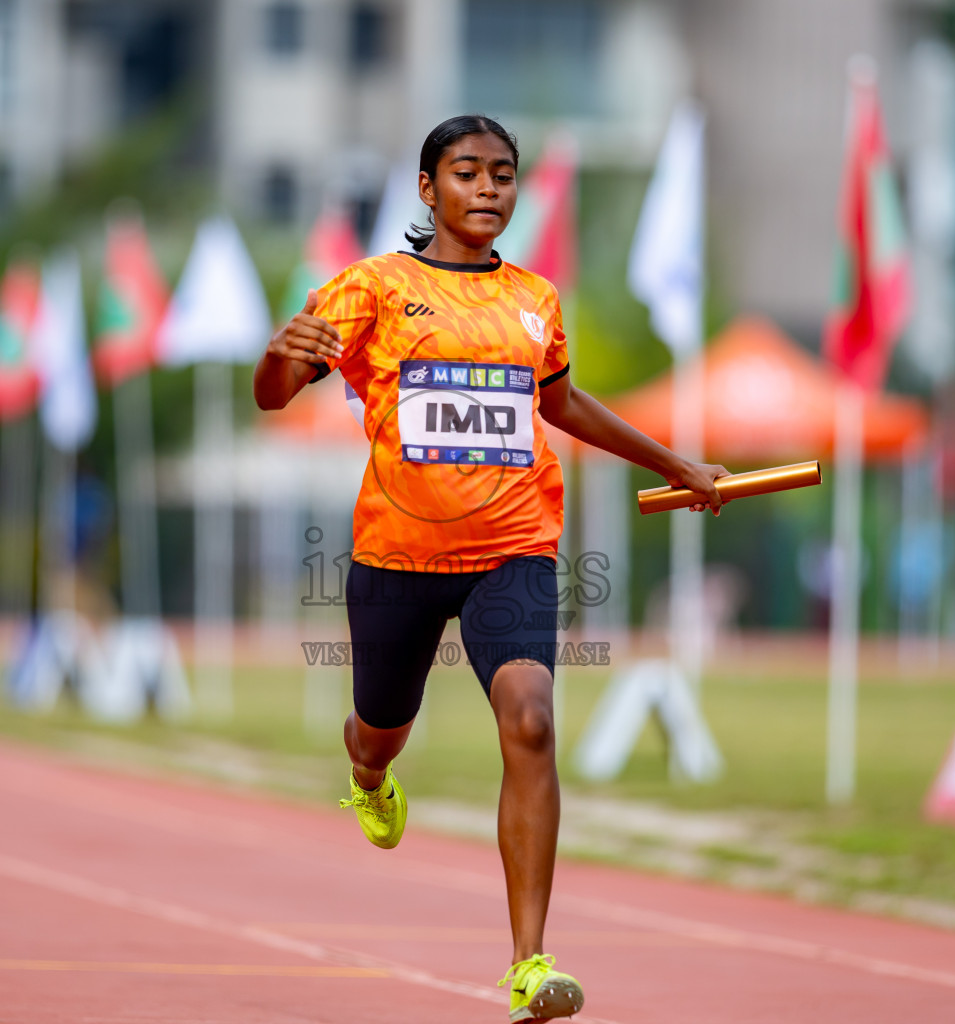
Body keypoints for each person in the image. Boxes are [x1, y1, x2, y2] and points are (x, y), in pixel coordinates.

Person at [253, 114, 729, 1023]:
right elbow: (274, 396)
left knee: (534, 721)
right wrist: (281, 356)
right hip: (397, 553)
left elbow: (561, 402)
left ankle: (529, 964)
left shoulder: (536, 300)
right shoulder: (372, 289)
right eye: (467, 173)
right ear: (427, 189)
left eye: (503, 175)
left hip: (513, 549)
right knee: (378, 728)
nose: (488, 190)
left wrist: (673, 463)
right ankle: (366, 774)